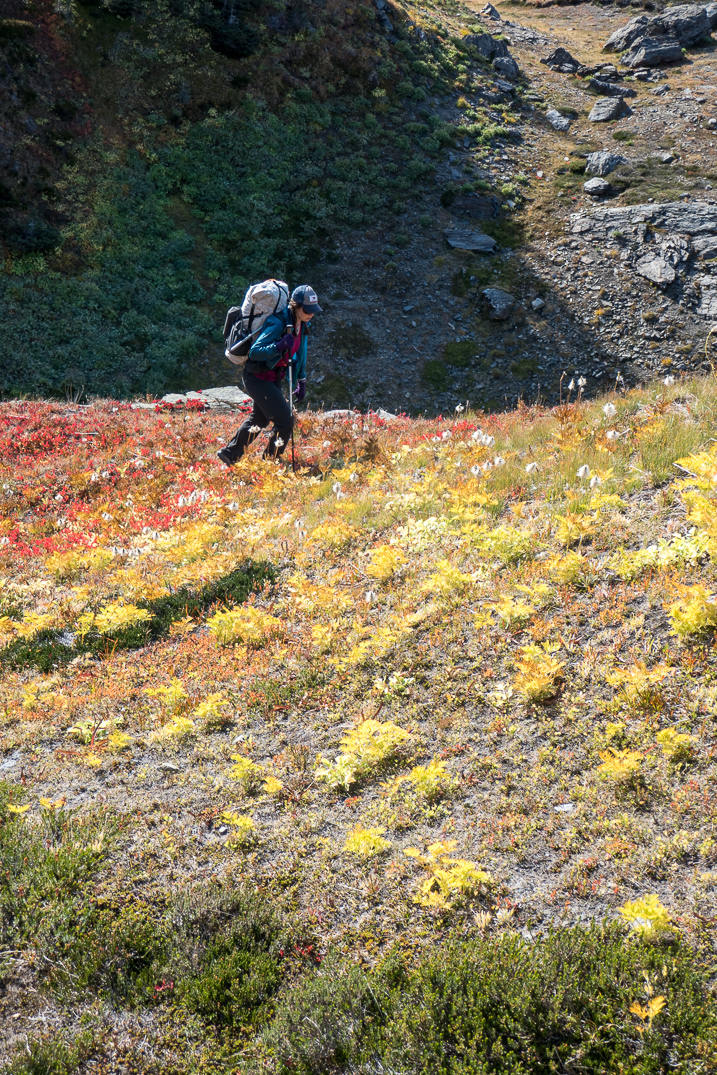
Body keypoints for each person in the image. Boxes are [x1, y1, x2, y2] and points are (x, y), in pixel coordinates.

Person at [217, 285, 321, 466]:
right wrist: (279, 346)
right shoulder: (278, 323)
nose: (311, 314)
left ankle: (230, 454)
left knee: (260, 419)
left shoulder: (302, 325)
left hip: (273, 377)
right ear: (295, 306)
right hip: (257, 376)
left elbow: (301, 353)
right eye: (307, 310)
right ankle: (270, 463)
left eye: (313, 310)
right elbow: (255, 352)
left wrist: (301, 379)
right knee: (285, 421)